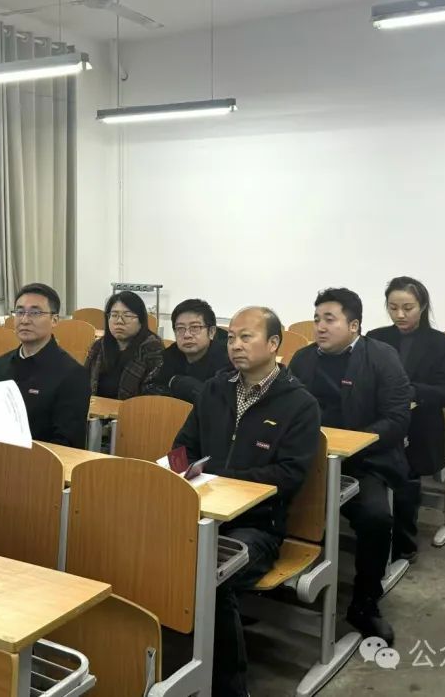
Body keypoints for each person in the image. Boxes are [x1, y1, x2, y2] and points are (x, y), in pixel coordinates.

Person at [172, 306, 320, 697]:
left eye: (246, 337)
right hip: (199, 515)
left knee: (209, 576)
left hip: (257, 527)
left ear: (273, 344)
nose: (235, 345)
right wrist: (182, 472)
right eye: (231, 337)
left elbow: (288, 476)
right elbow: (181, 449)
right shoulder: (214, 389)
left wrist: (219, 476)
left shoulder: (299, 403)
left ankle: (231, 688)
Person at [288, 287, 411, 646]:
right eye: (316, 319)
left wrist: (355, 444)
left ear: (354, 325)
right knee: (267, 500)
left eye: (330, 319)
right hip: (310, 458)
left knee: (376, 517)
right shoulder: (303, 359)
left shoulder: (382, 358)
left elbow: (397, 418)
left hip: (365, 459)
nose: (320, 327)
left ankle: (365, 601)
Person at [368, 277, 445, 563]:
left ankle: (404, 543)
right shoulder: (375, 337)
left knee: (405, 480)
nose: (400, 315)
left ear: (422, 306)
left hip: (419, 428)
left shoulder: (441, 344)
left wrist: (412, 391)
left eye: (407, 308)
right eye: (393, 307)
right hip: (380, 423)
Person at [0, 282, 90, 448]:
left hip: (43, 460)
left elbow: (67, 442)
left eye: (35, 313)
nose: (25, 320)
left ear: (54, 320)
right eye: (20, 312)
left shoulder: (72, 375)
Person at [147, 298, 232, 403]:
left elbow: (219, 402)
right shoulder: (170, 354)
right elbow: (152, 389)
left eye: (195, 327)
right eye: (180, 328)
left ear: (211, 332)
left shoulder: (228, 360)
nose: (187, 335)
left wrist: (178, 382)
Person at [85, 290, 164, 400]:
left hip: (134, 410)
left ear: (141, 320)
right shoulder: (98, 347)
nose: (119, 321)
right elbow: (82, 384)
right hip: (97, 410)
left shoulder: (153, 350)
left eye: (127, 315)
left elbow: (154, 397)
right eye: (114, 315)